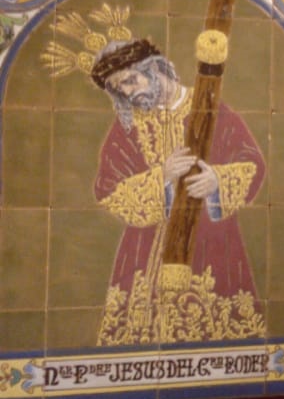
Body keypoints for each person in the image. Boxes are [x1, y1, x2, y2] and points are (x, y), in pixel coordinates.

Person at [86, 36, 268, 345]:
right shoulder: (126, 128)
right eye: (119, 89)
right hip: (145, 252)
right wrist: (162, 178)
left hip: (211, 243)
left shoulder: (210, 108)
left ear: (155, 69)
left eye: (130, 80)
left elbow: (252, 163)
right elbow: (108, 190)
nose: (128, 92)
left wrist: (217, 181)